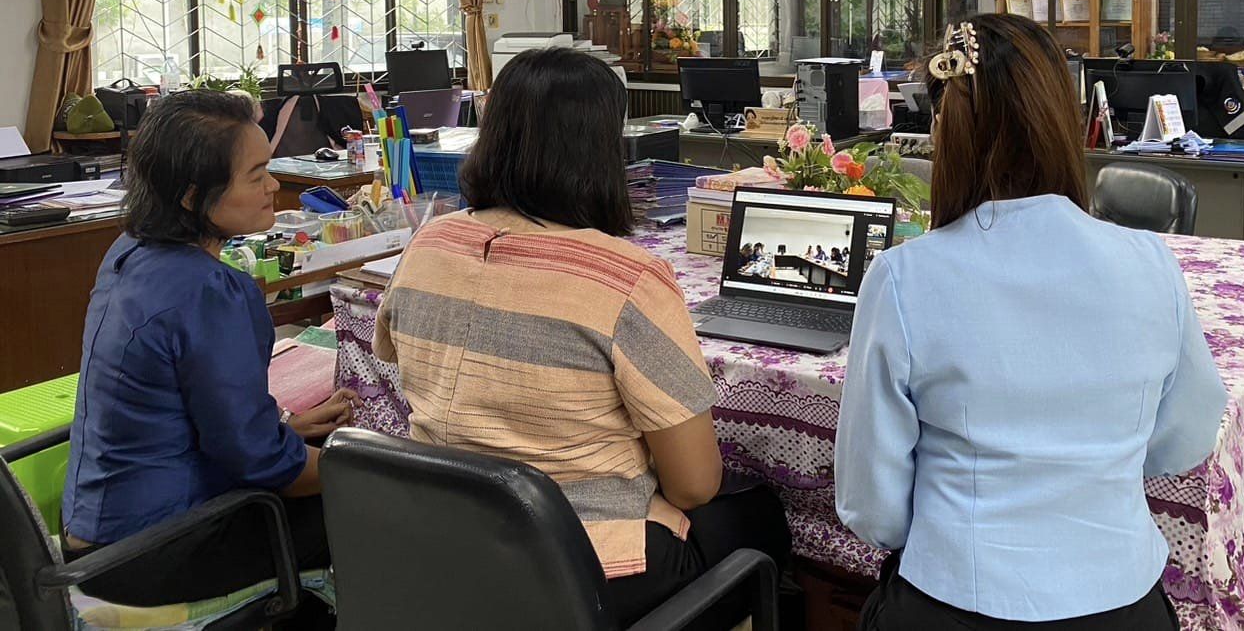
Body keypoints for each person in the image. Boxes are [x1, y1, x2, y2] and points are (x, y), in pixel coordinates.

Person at [374, 48, 790, 630]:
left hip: (448, 539)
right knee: (757, 515)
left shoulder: (429, 244)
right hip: (578, 563)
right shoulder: (623, 276)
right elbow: (695, 484)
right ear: (601, 150)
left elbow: (391, 355)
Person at [836, 15, 1227, 630]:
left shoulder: (904, 278)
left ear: (946, 132)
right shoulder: (1151, 263)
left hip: (952, 597)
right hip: (1121, 598)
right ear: (1063, 121)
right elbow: (1186, 435)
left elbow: (872, 505)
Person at [63, 91, 358, 629]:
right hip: (159, 554)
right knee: (363, 511)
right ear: (194, 195)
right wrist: (378, 472)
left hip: (96, 536)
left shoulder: (128, 252)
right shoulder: (212, 291)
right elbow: (268, 468)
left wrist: (285, 427)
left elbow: (190, 405)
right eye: (257, 174)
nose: (273, 187)